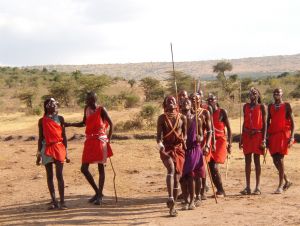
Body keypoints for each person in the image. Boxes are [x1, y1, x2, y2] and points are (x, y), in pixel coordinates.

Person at [65, 92, 113, 205]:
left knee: (101, 168)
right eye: (86, 99)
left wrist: (109, 139)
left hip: (100, 141)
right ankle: (98, 192)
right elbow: (84, 123)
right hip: (90, 141)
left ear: (94, 99)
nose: (87, 101)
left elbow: (111, 124)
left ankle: (100, 196)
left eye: (89, 99)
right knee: (84, 168)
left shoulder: (101, 110)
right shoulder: (86, 108)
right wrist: (69, 124)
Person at [157, 96, 187, 217]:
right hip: (167, 149)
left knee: (177, 178)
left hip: (179, 149)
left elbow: (185, 134)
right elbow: (158, 137)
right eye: (168, 101)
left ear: (176, 104)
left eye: (173, 101)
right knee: (171, 169)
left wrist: (184, 140)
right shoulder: (161, 118)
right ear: (164, 104)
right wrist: (161, 147)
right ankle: (170, 197)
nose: (171, 102)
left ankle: (172, 207)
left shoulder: (182, 118)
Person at [36, 97, 68, 210]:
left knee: (59, 175)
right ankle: (54, 201)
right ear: (46, 106)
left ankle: (63, 202)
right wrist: (38, 155)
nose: (53, 105)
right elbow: (40, 138)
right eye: (51, 104)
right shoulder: (42, 121)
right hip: (46, 149)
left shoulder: (60, 118)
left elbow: (64, 136)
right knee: (50, 176)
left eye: (55, 103)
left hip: (59, 147)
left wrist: (66, 152)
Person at [239, 87, 267, 195]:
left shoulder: (262, 107)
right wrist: (241, 137)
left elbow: (264, 125)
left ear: (258, 95)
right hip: (246, 135)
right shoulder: (245, 106)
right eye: (250, 93)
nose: (252, 95)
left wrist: (264, 140)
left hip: (257, 136)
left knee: (256, 161)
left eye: (254, 93)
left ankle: (258, 187)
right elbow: (244, 122)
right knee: (247, 161)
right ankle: (247, 187)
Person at [267, 88, 294, 194]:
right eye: (275, 93)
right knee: (275, 159)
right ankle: (287, 181)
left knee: (281, 159)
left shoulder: (286, 105)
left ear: (282, 94)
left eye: (279, 92)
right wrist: (266, 137)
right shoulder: (270, 106)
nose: (277, 94)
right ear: (273, 95)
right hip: (273, 135)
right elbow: (268, 122)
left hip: (283, 135)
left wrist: (291, 137)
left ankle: (280, 185)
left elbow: (293, 123)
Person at [180, 98, 203, 210]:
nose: (185, 104)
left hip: (194, 149)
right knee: (182, 177)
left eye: (187, 102)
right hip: (182, 150)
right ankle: (185, 200)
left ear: (191, 105)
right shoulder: (178, 119)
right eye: (183, 103)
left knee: (191, 175)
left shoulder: (197, 119)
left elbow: (202, 135)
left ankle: (192, 200)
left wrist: (200, 138)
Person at [207, 94, 232, 197]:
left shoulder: (222, 112)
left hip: (220, 141)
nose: (211, 102)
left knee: (214, 166)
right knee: (210, 167)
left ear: (216, 101)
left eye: (213, 100)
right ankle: (219, 190)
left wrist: (229, 144)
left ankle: (221, 190)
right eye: (209, 101)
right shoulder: (207, 113)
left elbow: (229, 129)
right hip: (210, 142)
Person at [190, 92, 212, 204]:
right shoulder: (187, 113)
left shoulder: (205, 112)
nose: (195, 101)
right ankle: (191, 193)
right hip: (190, 144)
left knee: (201, 169)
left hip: (201, 144)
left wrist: (207, 145)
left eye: (197, 99)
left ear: (201, 100)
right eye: (192, 99)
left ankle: (202, 191)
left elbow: (209, 131)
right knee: (190, 170)